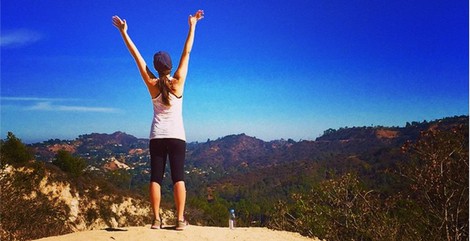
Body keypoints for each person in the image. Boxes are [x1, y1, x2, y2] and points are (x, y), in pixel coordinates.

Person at [112, 10, 204, 231]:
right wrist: (193, 25)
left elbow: (136, 56)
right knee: (178, 178)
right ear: (170, 66)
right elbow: (187, 52)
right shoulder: (178, 81)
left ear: (156, 67)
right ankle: (180, 220)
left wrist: (124, 33)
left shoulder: (152, 83)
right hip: (177, 136)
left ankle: (156, 220)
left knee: (155, 178)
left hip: (157, 136)